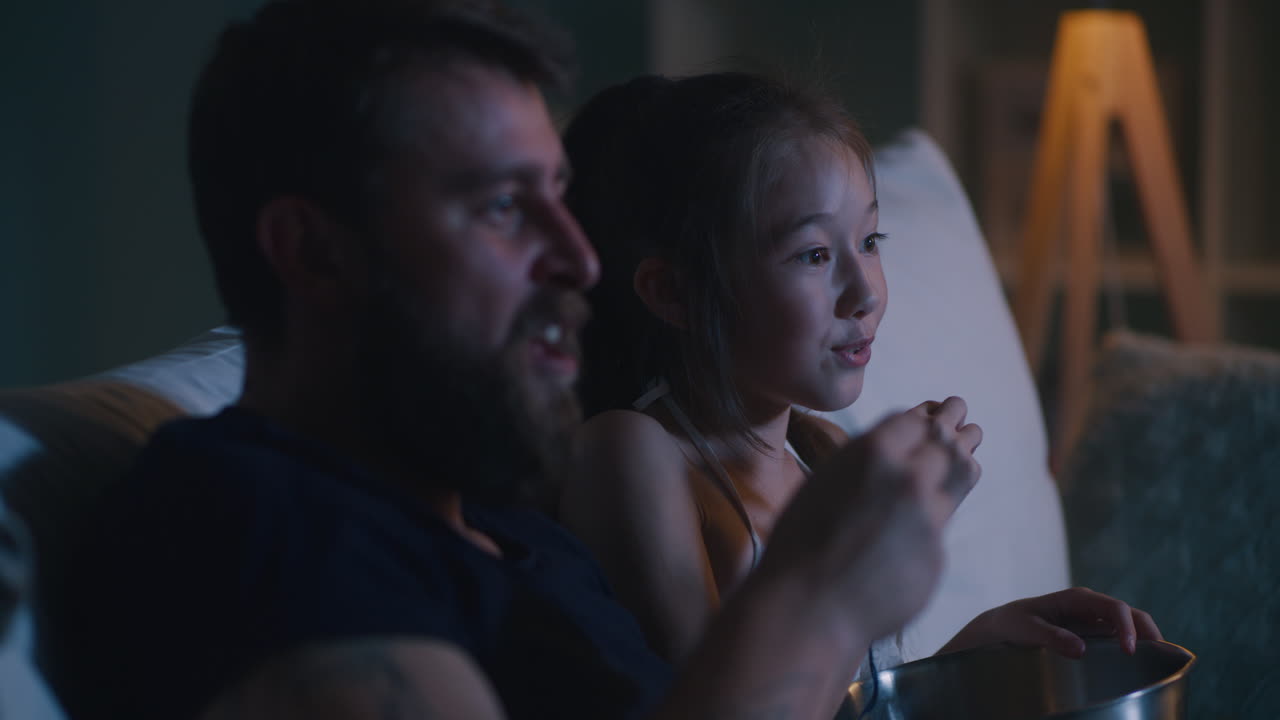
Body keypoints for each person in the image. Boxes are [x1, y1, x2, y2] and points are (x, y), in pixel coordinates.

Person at [50, 2, 1099, 719]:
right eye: (505, 207)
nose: (578, 257)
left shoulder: (520, 543)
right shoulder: (256, 525)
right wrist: (815, 599)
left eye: (560, 193)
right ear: (314, 252)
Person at [557, 73, 1162, 669]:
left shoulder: (823, 450)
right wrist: (862, 552)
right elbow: (720, 706)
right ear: (675, 293)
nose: (865, 293)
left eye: (871, 241)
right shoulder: (633, 453)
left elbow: (850, 700)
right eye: (815, 254)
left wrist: (981, 644)